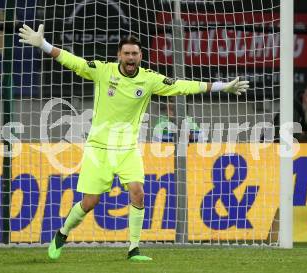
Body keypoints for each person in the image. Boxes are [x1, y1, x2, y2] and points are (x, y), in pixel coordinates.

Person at [18, 24, 249, 261]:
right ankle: (62, 233)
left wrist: (223, 86)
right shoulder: (103, 71)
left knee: (137, 193)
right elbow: (73, 61)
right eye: (126, 53)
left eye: (135, 54)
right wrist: (43, 45)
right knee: (90, 201)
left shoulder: (149, 79)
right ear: (119, 55)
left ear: (140, 56)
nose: (130, 57)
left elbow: (182, 86)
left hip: (128, 149)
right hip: (99, 148)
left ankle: (134, 249)